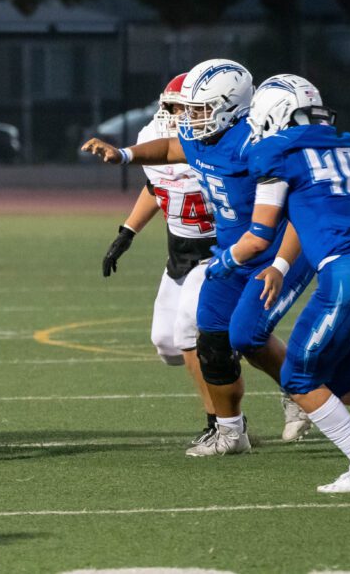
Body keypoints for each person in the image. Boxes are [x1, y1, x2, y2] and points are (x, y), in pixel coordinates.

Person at [82, 59, 314, 457]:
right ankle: (230, 432)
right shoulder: (199, 136)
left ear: (230, 105)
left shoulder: (255, 142)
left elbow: (300, 208)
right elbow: (173, 147)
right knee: (210, 342)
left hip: (274, 251)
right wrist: (123, 155)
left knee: (247, 337)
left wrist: (279, 263)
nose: (187, 118)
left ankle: (307, 397)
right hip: (230, 254)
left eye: (197, 109)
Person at [213, 73, 350, 492]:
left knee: (299, 380)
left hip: (344, 276)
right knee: (341, 384)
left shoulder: (275, 153)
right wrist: (280, 264)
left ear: (271, 114)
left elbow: (258, 233)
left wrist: (224, 260)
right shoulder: (344, 152)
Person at [101, 73, 218, 446]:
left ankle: (223, 422)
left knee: (191, 336)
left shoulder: (213, 142)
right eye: (168, 106)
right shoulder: (152, 136)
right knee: (167, 345)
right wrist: (127, 232)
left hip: (218, 251)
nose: (171, 114)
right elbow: (157, 185)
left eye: (182, 107)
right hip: (180, 254)